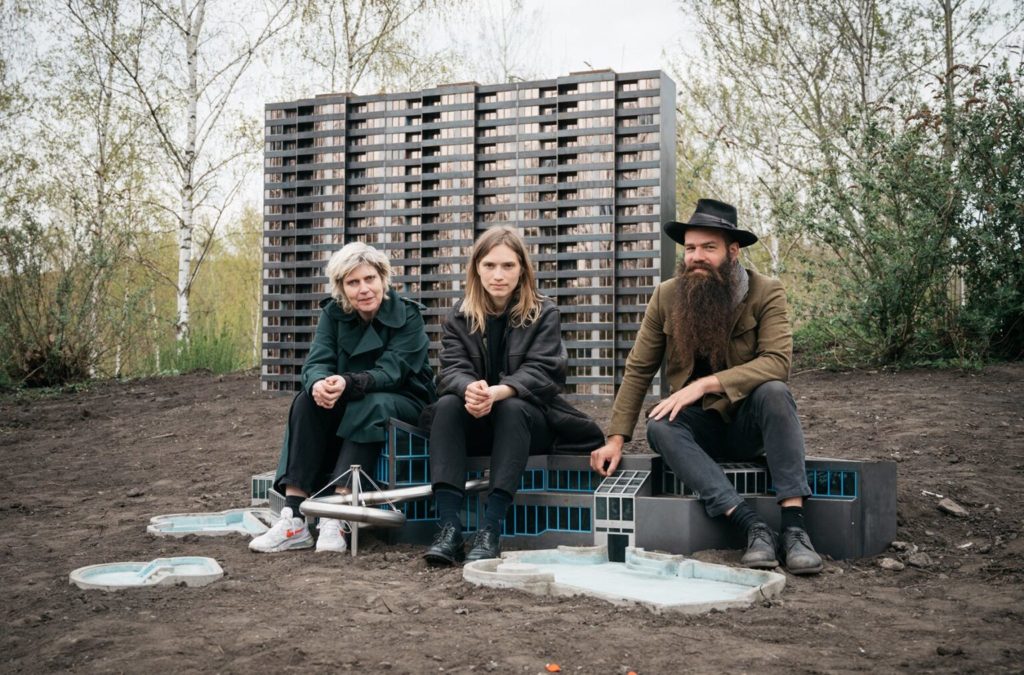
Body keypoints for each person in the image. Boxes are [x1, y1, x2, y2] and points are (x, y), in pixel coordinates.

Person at [589, 199, 823, 575]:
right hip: (699, 432)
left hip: (749, 425)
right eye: (691, 248)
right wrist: (615, 438)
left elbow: (778, 362)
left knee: (775, 392)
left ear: (733, 252)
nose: (696, 257)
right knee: (660, 424)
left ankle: (795, 529)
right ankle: (752, 526)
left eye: (708, 248)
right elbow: (638, 368)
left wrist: (705, 385)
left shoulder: (766, 292)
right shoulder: (667, 295)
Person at [423, 226, 604, 565]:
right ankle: (448, 529)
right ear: (476, 267)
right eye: (490, 265)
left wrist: (498, 391)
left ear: (522, 269)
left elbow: (545, 372)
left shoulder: (543, 312)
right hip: (477, 420)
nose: (498, 275)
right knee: (447, 404)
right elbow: (450, 369)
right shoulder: (460, 315)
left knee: (512, 407)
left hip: (528, 424)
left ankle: (490, 529)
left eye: (508, 266)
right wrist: (470, 389)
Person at [250, 242, 435, 554]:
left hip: (404, 402)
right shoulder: (333, 315)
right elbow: (316, 361)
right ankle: (294, 518)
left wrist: (347, 382)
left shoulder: (408, 316)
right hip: (350, 398)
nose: (363, 289)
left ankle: (337, 517)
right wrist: (318, 384)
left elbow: (392, 372)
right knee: (306, 401)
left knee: (371, 404)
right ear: (341, 288)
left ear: (383, 279)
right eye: (353, 282)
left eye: (369, 279)